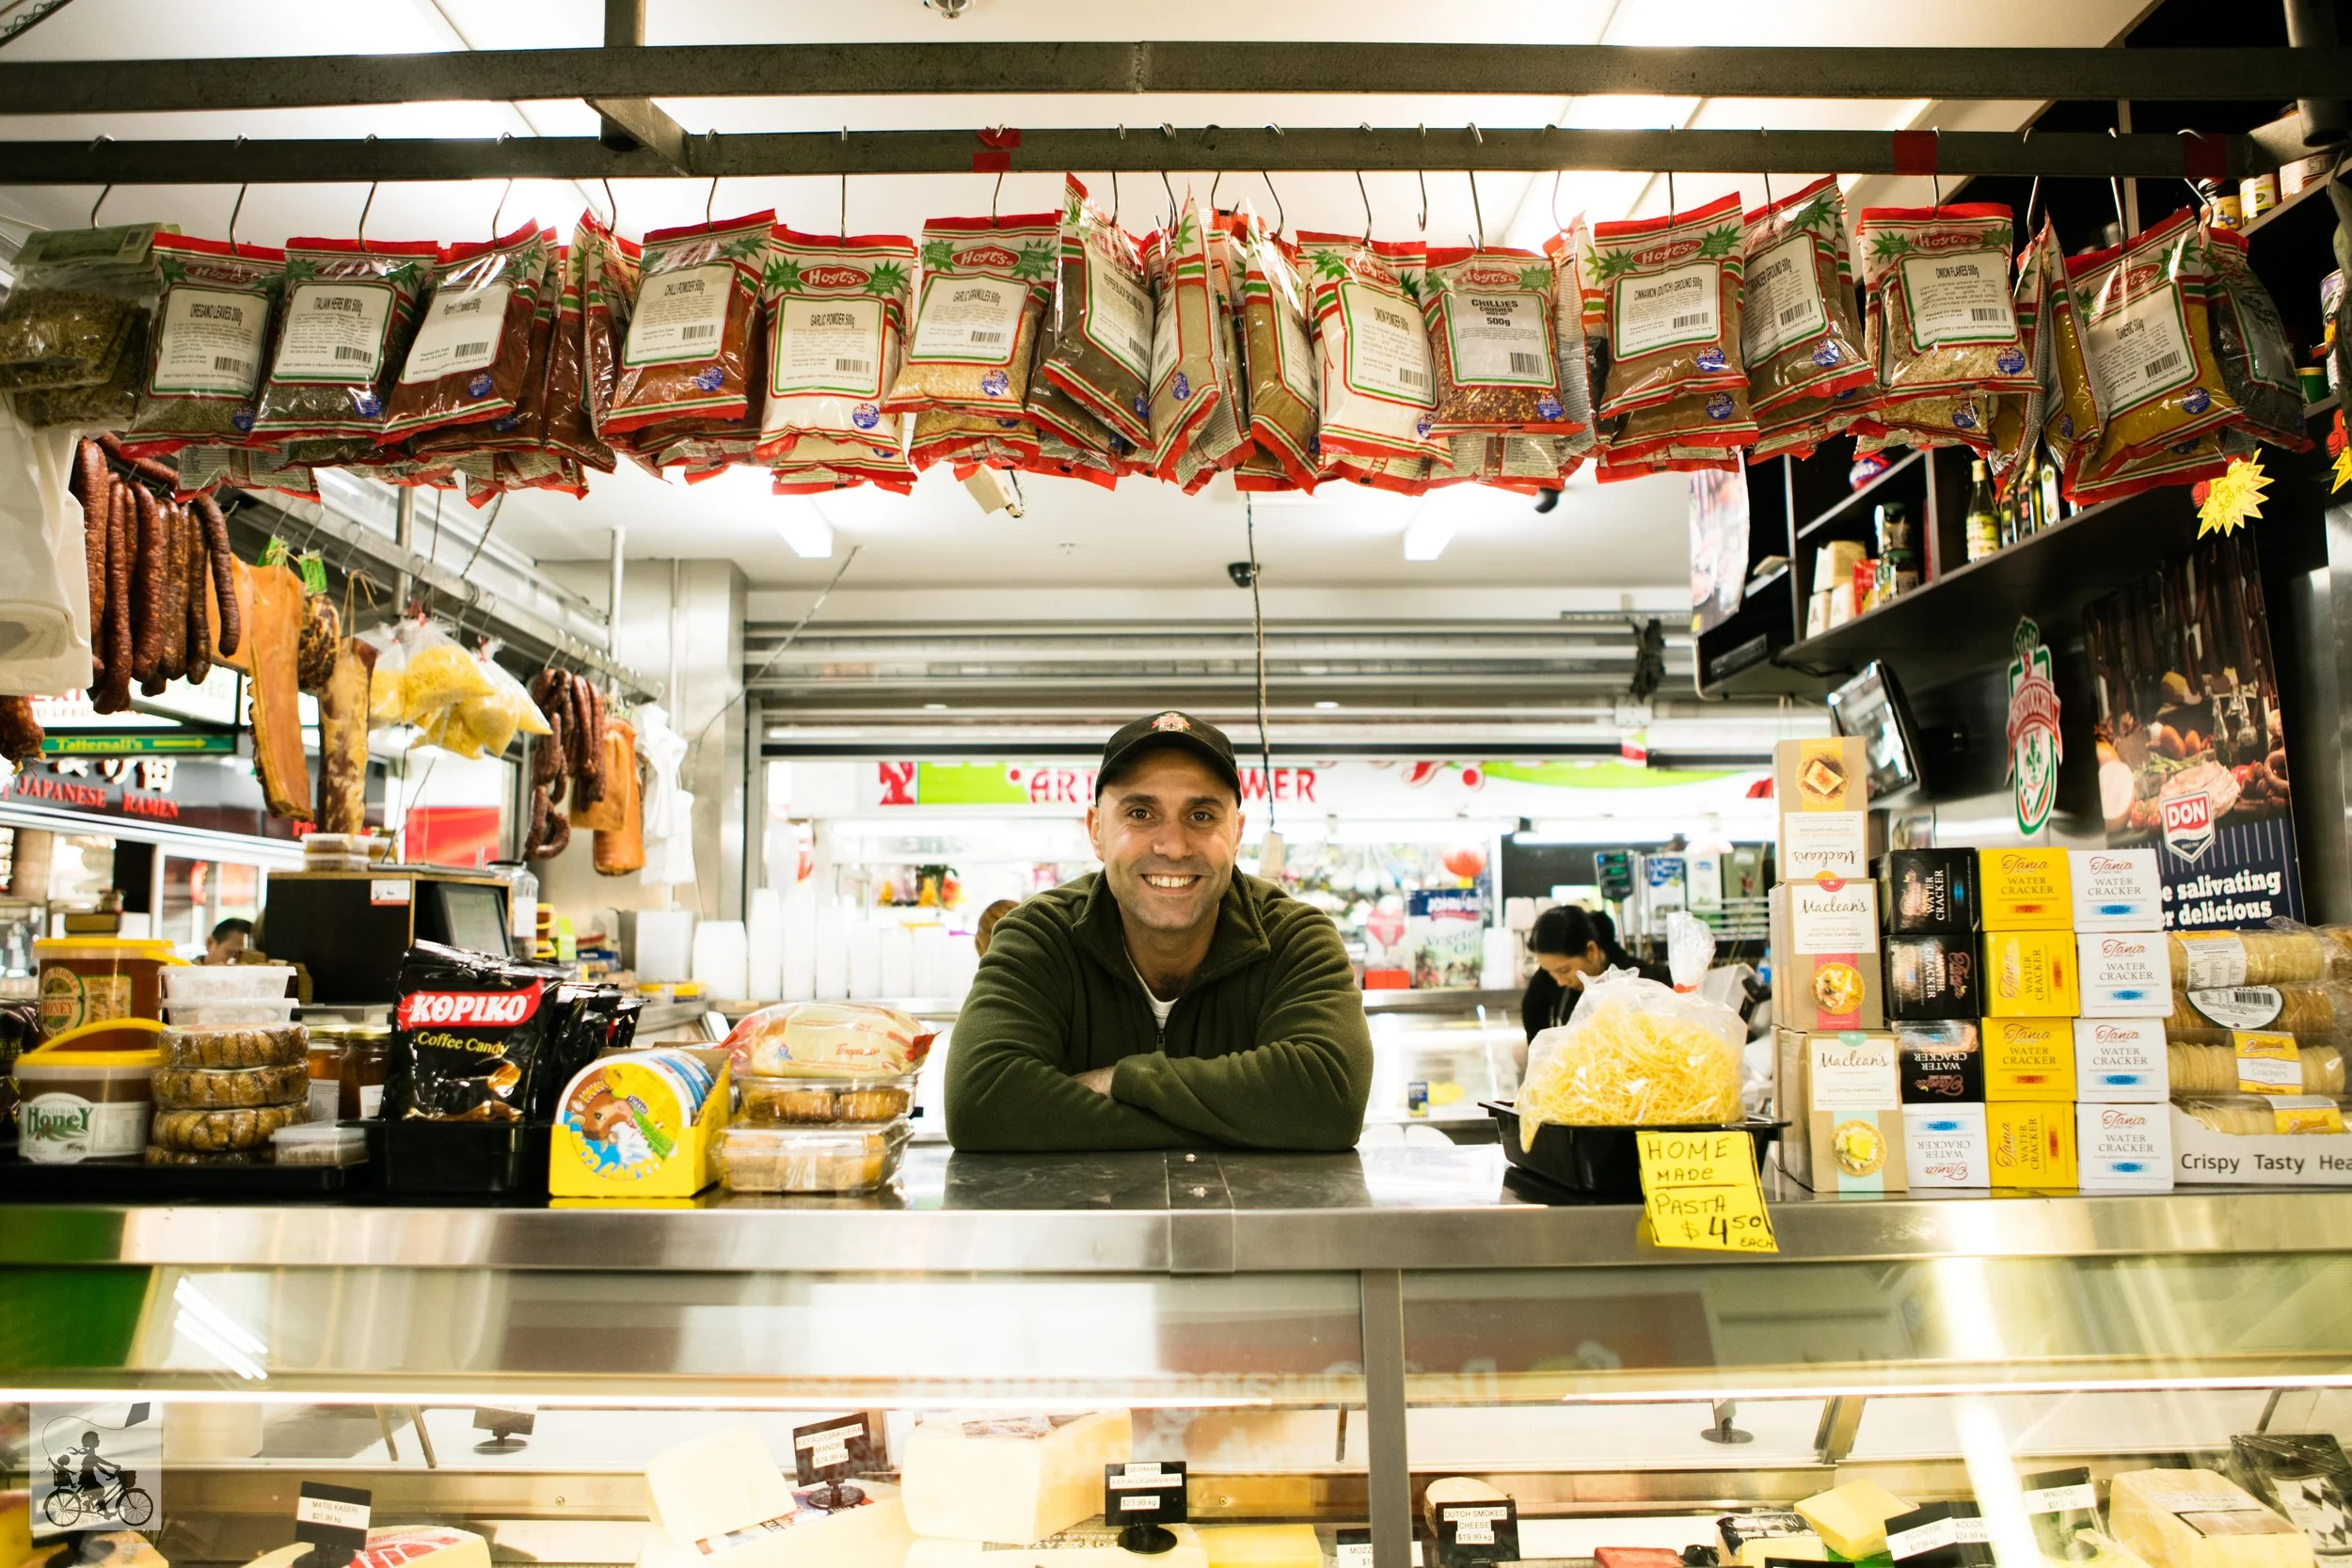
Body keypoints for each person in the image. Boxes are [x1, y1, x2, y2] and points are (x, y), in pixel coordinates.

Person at [945, 710, 1373, 1151]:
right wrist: (1237, 1122)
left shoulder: (1295, 939)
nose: (1173, 846)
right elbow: (981, 1104)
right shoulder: (1039, 936)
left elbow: (1331, 1101)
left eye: (1201, 815)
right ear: (1096, 830)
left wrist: (1120, 1080)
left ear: (1237, 834)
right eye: (1141, 813)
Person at [1520, 904, 1668, 1041]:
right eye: (1550, 972)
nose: (1560, 981)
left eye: (1565, 970)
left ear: (1591, 951)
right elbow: (1532, 1011)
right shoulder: (1550, 975)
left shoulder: (1637, 981)